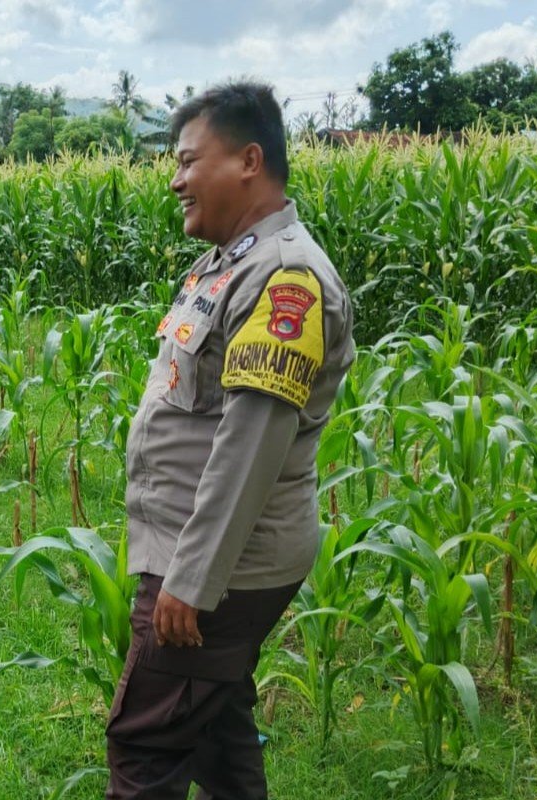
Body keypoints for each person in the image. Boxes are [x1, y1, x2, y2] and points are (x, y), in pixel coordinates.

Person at [106, 82, 355, 799]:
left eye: (189, 161)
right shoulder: (232, 261)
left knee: (146, 741)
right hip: (208, 555)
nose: (176, 179)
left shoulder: (286, 278)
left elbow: (251, 442)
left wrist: (190, 581)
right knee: (216, 730)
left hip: (216, 566)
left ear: (249, 161)